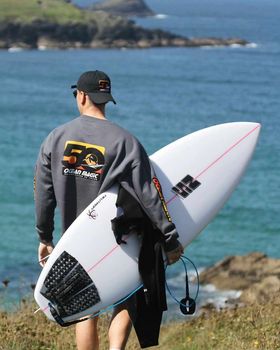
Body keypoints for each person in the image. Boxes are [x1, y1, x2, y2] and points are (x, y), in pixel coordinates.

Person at [34, 70, 183, 350]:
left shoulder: (55, 138)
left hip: (75, 241)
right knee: (127, 296)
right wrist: (170, 238)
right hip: (119, 239)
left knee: (85, 308)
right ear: (105, 100)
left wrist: (45, 237)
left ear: (81, 95)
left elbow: (44, 194)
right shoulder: (126, 141)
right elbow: (149, 194)